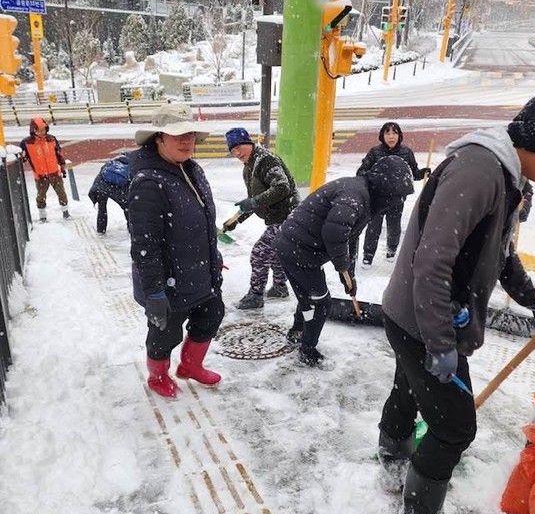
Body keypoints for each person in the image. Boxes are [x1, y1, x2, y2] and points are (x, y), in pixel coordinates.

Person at [376, 80, 535, 514]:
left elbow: (501, 252)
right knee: (455, 426)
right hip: (423, 319)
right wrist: (438, 342)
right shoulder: (479, 171)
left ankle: (391, 462)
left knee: (408, 391)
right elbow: (432, 261)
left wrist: (530, 297)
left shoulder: (506, 173)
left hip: (417, 314)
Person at [274, 155, 414, 368]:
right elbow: (334, 233)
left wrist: (348, 273)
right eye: (396, 196)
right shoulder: (355, 196)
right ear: (384, 188)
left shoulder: (365, 195)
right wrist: (341, 266)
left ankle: (297, 331)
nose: (397, 201)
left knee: (308, 298)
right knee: (321, 302)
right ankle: (307, 349)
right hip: (298, 251)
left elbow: (350, 237)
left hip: (297, 248)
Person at [128, 102, 224, 399]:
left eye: (190, 134)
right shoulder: (148, 183)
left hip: (199, 274)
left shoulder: (191, 170)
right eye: (177, 134)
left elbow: (204, 223)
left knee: (211, 315)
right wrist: (154, 292)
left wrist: (213, 259)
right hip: (168, 282)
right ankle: (158, 376)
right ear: (159, 137)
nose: (186, 140)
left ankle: (190, 366)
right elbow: (145, 245)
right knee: (164, 334)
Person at [223, 127, 299, 310]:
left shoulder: (266, 160)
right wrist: (236, 220)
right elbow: (254, 201)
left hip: (288, 216)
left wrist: (254, 201)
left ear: (249, 143)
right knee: (274, 252)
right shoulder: (248, 167)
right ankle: (280, 287)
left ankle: (255, 296)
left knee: (260, 253)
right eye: (233, 150)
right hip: (277, 218)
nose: (237, 153)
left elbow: (282, 187)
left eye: (240, 147)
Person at [357, 122, 429, 264]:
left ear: (399, 135)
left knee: (394, 226)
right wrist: (377, 178)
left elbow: (413, 174)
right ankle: (368, 255)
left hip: (397, 198)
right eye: (387, 133)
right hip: (377, 197)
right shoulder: (374, 152)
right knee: (373, 227)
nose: (391, 136)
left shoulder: (406, 153)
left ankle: (391, 251)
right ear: (382, 136)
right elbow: (361, 172)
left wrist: (423, 173)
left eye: (394, 133)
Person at [20, 117, 70, 222]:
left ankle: (66, 212)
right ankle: (42, 215)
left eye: (43, 129)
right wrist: (22, 157)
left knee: (61, 193)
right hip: (40, 175)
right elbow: (23, 158)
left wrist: (62, 166)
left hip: (55, 172)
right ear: (33, 130)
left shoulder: (51, 139)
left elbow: (58, 154)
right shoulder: (27, 143)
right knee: (41, 196)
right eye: (39, 130)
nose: (42, 132)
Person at [88, 153, 131, 234]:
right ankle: (131, 229)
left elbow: (101, 174)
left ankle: (101, 230)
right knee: (127, 207)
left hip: (100, 187)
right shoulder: (129, 167)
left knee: (102, 209)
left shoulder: (110, 163)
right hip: (115, 189)